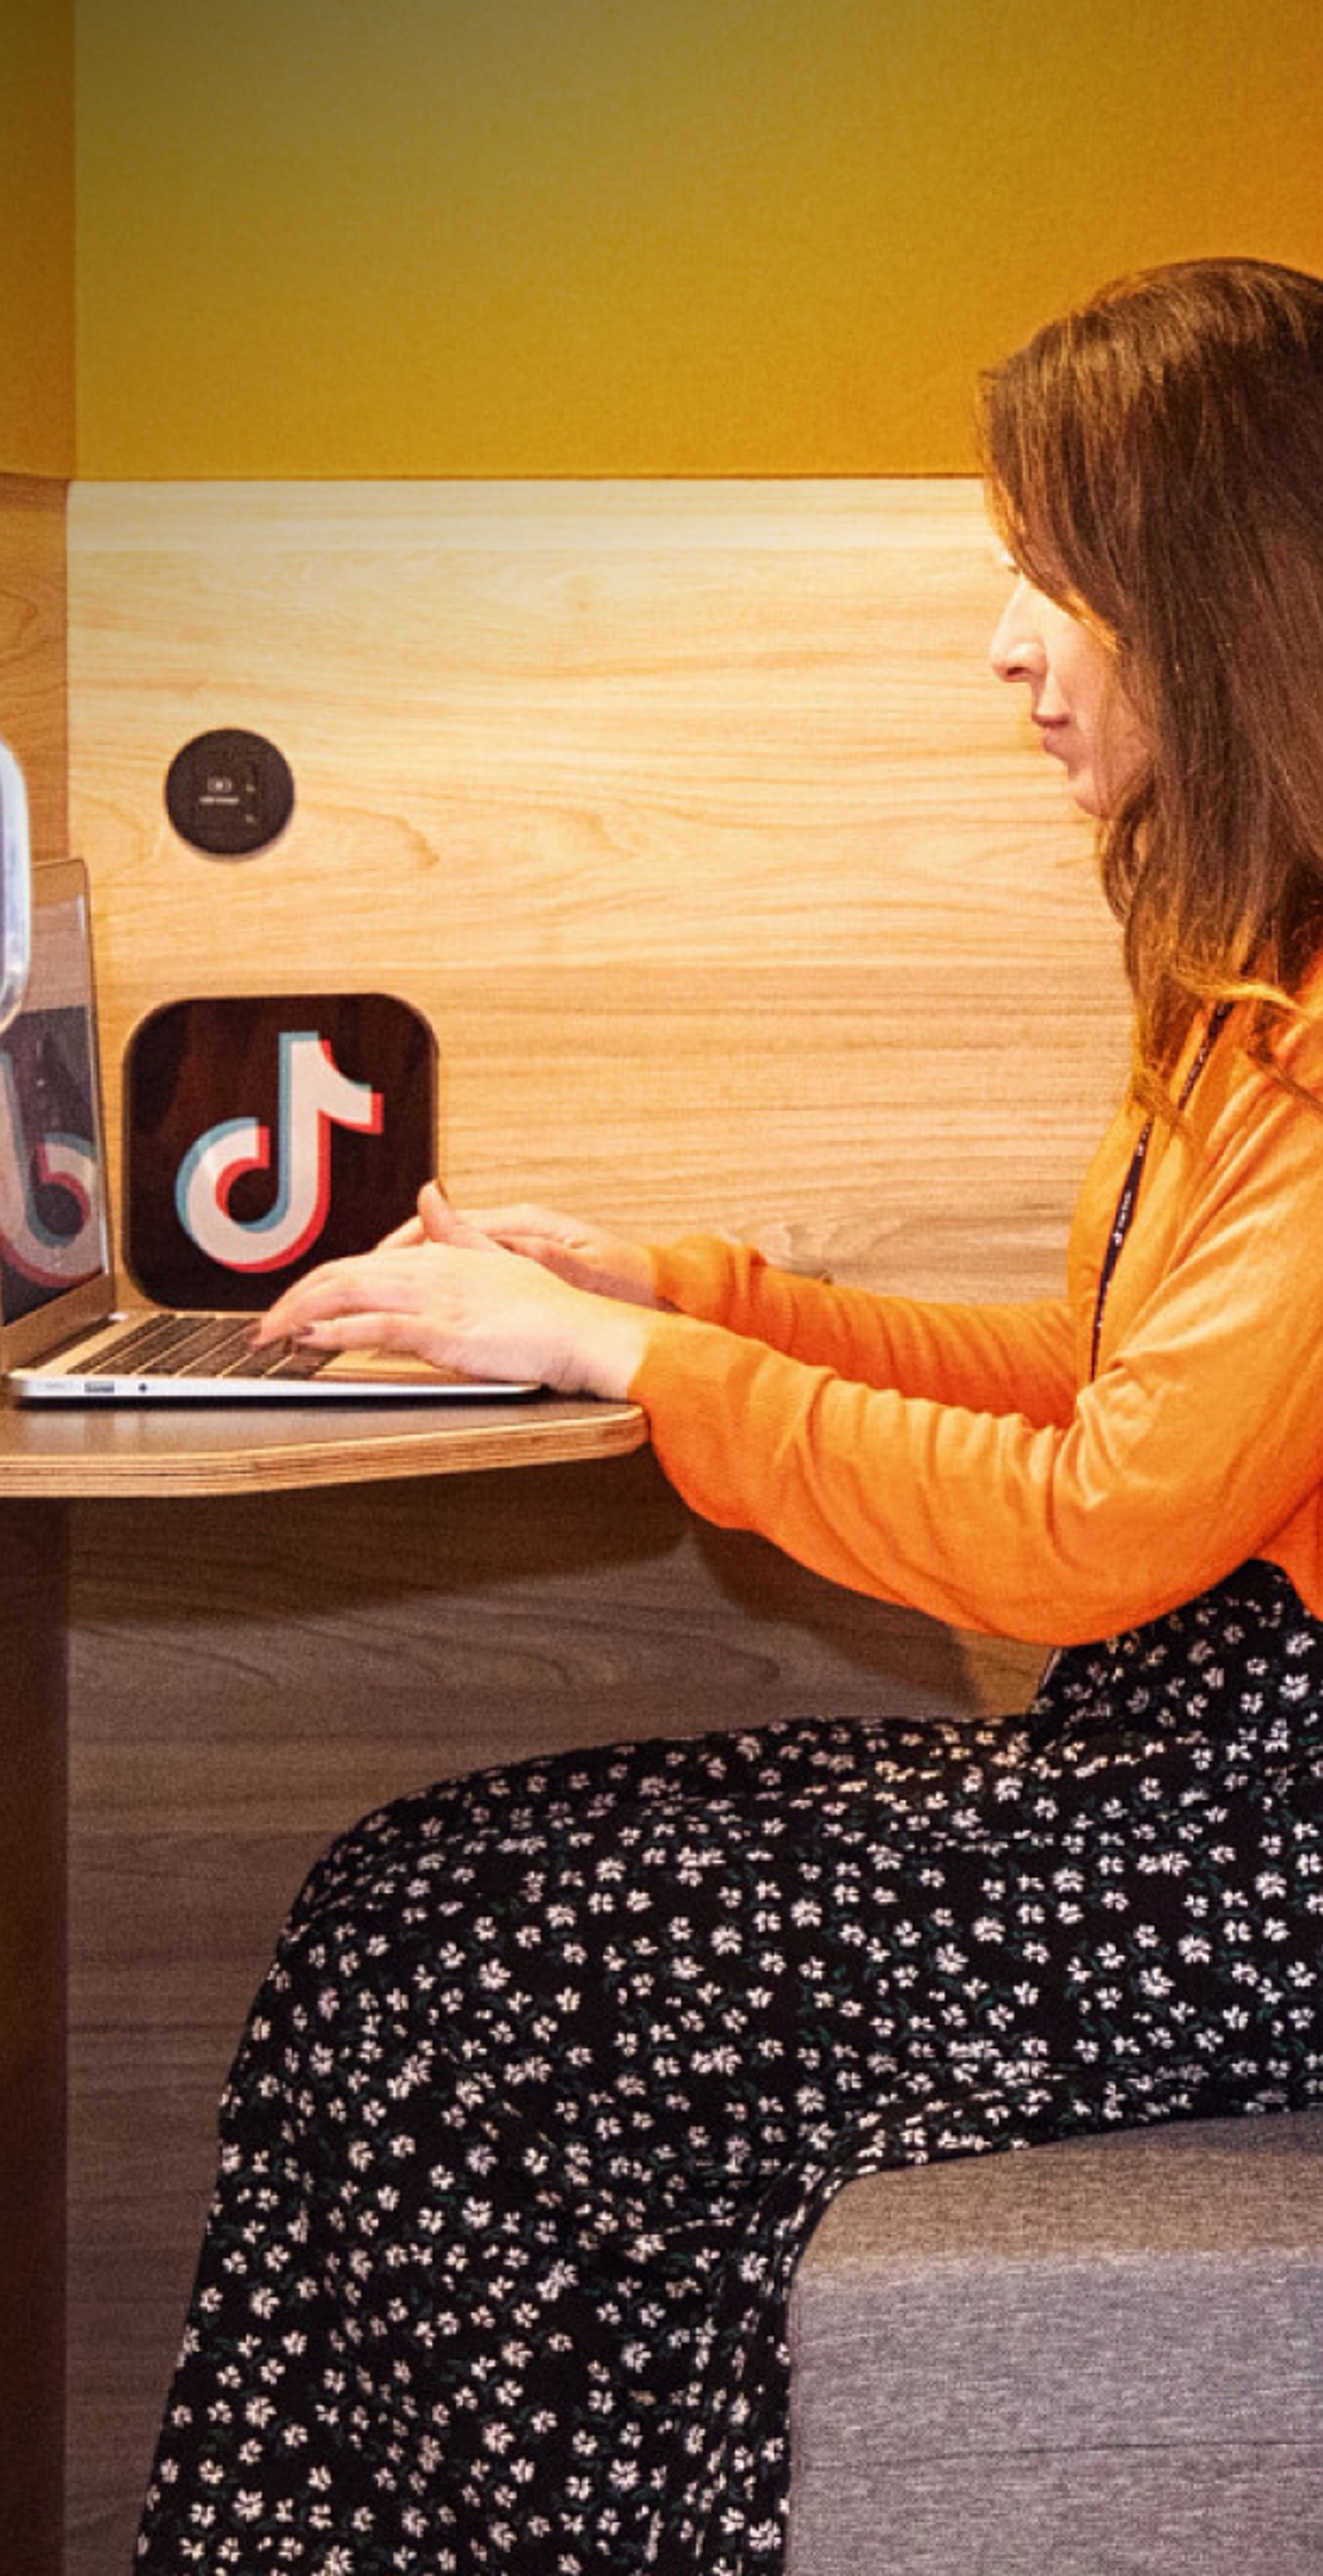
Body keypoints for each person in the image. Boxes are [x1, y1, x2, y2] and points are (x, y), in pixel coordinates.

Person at [135, 257, 1323, 2574]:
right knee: (410, 1907)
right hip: (1178, 1788)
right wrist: (673, 1288)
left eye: (1049, 575)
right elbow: (1115, 1384)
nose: (1007, 642)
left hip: (1253, 1854)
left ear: (1221, 593)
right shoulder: (1243, 997)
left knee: (452, 1953)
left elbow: (1094, 1527)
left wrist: (639, 1366)